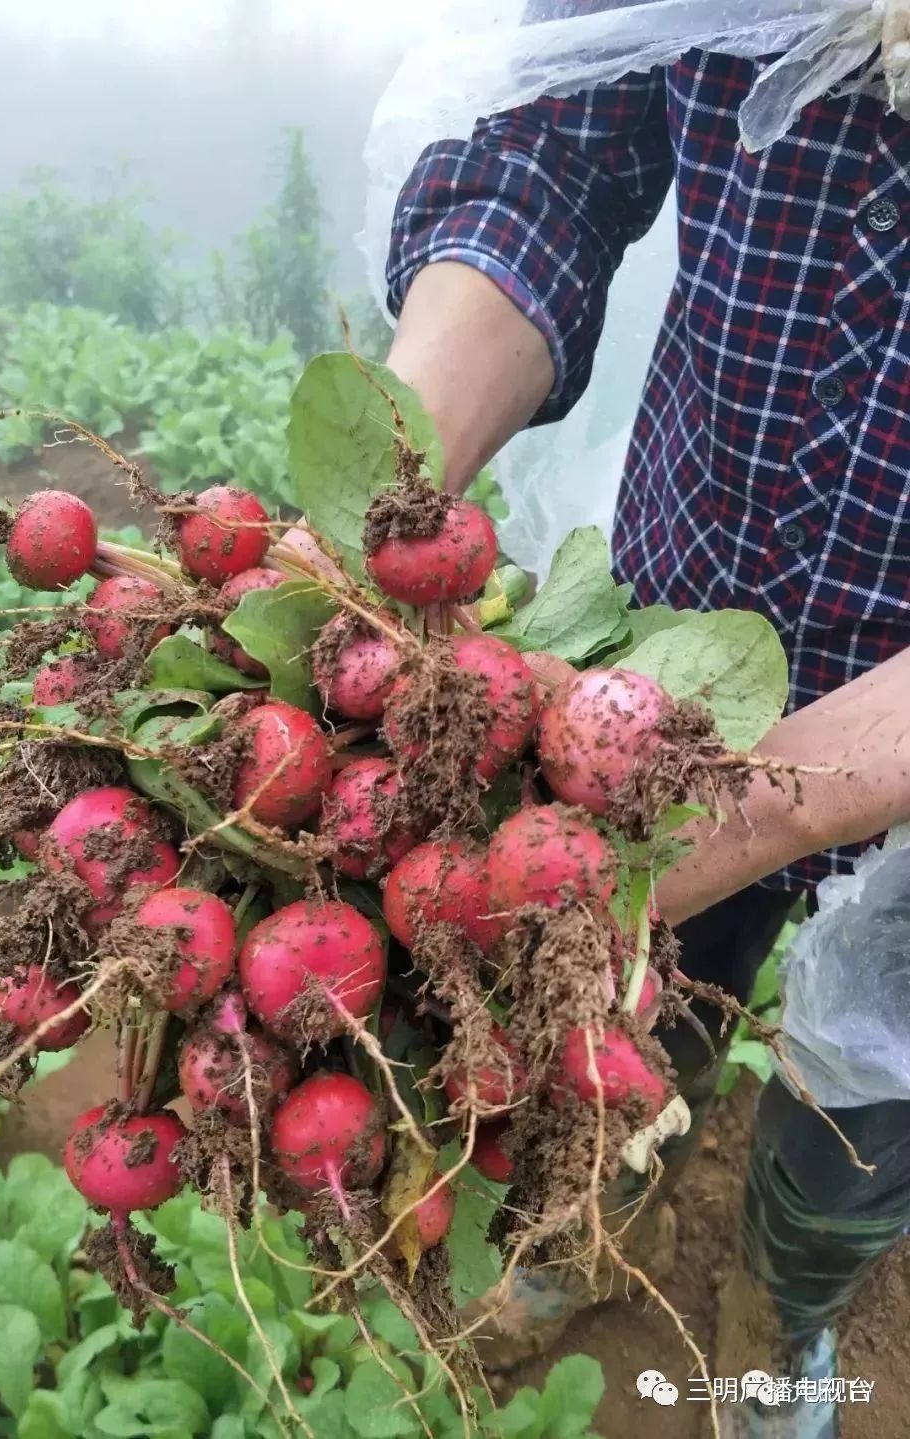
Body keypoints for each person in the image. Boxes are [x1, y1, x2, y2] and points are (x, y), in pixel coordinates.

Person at [381, 27, 910, 1439]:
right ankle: (590, 1207)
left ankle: (783, 1321)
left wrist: (785, 803)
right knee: (629, 986)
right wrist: (388, 496)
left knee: (866, 1118)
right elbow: (554, 151)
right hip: (672, 665)